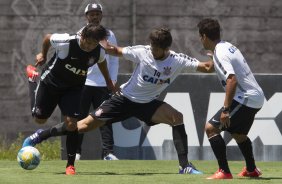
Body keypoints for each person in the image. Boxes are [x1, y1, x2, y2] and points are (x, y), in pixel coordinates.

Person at [77, 27, 214, 174]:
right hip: (124, 99)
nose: (152, 50)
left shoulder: (177, 60)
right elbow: (115, 50)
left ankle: (184, 166)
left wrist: (214, 54)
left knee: (177, 117)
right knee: (82, 126)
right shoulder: (143, 52)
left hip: (147, 104)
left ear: (166, 48)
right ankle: (48, 133)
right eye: (152, 46)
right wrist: (99, 39)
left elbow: (207, 68)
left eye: (156, 48)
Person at [22, 24, 115, 175]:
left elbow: (102, 62)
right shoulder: (66, 41)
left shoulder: (98, 51)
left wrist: (109, 81)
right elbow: (47, 38)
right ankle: (32, 80)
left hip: (74, 89)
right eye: (89, 42)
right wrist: (43, 54)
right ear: (83, 37)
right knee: (39, 119)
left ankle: (70, 165)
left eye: (94, 43)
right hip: (51, 83)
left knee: (72, 124)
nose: (90, 46)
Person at [197, 18, 264, 179]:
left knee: (211, 129)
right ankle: (251, 169)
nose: (200, 40)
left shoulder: (220, 52)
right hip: (255, 97)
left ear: (204, 36)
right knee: (238, 133)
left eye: (200, 36)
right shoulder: (227, 46)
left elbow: (231, 79)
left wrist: (226, 109)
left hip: (245, 97)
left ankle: (224, 171)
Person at [75, 3, 119, 161]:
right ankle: (76, 152)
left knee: (105, 118)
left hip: (102, 85)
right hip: (83, 84)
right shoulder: (80, 33)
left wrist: (112, 80)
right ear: (86, 16)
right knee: (79, 117)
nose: (94, 16)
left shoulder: (109, 34)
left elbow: (113, 60)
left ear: (101, 15)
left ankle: (108, 153)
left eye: (97, 13)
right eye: (91, 14)